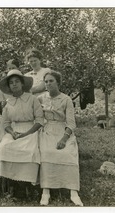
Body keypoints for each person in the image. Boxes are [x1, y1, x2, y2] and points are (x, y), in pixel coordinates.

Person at [0, 69, 43, 197]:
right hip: (14, 131)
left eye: (17, 82)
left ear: (22, 84)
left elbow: (39, 120)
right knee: (4, 148)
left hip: (31, 130)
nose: (14, 84)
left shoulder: (32, 99)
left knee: (30, 151)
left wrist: (27, 133)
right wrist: (12, 133)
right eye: (11, 83)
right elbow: (6, 123)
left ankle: (29, 187)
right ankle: (12, 186)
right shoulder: (8, 103)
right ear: (9, 86)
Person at [38, 70, 83, 206]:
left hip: (63, 131)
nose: (48, 84)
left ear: (58, 82)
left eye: (51, 81)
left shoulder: (66, 99)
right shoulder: (41, 98)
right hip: (47, 130)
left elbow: (71, 123)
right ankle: (46, 191)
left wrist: (64, 139)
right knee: (46, 153)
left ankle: (73, 191)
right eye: (46, 81)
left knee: (68, 153)